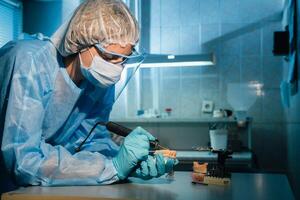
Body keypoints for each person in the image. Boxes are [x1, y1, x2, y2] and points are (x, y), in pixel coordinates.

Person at [0, 0, 177, 188]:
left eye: (123, 60)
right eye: (109, 57)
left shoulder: (98, 78)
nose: (115, 68)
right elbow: (24, 162)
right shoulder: (31, 63)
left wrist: (126, 163)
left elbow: (89, 142)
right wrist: (113, 168)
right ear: (81, 42)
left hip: (43, 186)